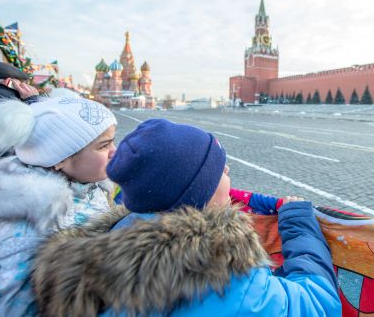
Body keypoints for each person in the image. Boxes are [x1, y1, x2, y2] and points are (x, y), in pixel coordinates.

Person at [32, 119, 342, 316]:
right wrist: (299, 222)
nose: (229, 171)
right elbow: (318, 305)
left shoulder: (106, 241)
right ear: (200, 195)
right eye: (220, 169)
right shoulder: (220, 275)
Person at [0, 96, 117, 315]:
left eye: (112, 141)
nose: (115, 151)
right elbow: (1, 306)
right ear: (60, 158)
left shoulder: (88, 186)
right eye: (104, 145)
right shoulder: (28, 228)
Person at [0, 62, 41, 170]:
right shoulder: (9, 111)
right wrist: (33, 101)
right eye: (22, 84)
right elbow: (38, 139)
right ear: (9, 82)